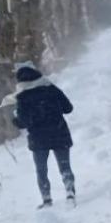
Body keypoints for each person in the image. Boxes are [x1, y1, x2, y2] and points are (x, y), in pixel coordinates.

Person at [12, 63, 76, 208]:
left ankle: (47, 199)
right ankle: (70, 192)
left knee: (41, 170)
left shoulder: (22, 97)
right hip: (59, 133)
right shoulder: (51, 88)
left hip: (38, 139)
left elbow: (23, 122)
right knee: (65, 166)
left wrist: (15, 120)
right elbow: (68, 108)